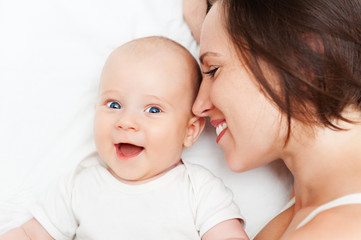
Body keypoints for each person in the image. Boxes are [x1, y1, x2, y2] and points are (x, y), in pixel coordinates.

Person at [0, 36, 249, 240]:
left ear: (189, 131)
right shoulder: (78, 186)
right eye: (114, 104)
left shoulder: (199, 190)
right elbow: (30, 234)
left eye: (153, 110)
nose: (126, 121)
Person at [187, 0, 361, 239]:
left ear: (303, 61)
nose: (198, 107)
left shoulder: (337, 228)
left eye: (214, 70)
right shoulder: (313, 197)